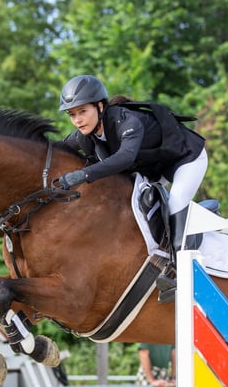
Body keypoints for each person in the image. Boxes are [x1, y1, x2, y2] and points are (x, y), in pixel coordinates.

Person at [56, 75, 208, 273]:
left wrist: (83, 175)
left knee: (176, 203)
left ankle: (180, 270)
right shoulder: (84, 136)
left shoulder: (127, 121)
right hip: (154, 167)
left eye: (83, 111)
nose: (77, 120)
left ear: (100, 107)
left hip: (186, 158)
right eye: (72, 114)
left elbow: (125, 158)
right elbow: (54, 149)